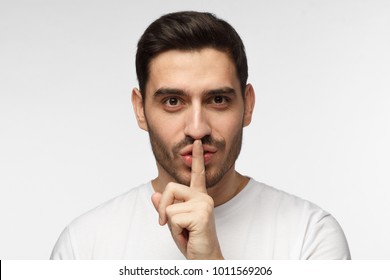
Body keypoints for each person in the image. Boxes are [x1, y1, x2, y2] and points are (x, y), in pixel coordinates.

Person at [50, 11, 350, 260]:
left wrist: (210, 263)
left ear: (248, 106)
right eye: (172, 101)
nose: (197, 128)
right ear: (140, 110)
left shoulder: (311, 235)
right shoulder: (83, 245)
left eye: (218, 100)